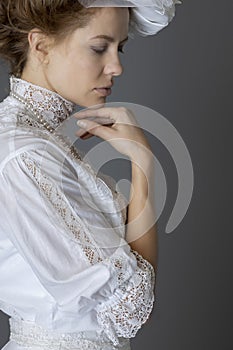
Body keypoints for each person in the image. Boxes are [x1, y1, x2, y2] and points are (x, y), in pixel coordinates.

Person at [0, 1, 179, 349]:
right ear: (40, 45)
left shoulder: (41, 140)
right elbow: (133, 308)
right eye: (99, 48)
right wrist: (143, 165)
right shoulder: (25, 152)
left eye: (120, 47)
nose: (117, 66)